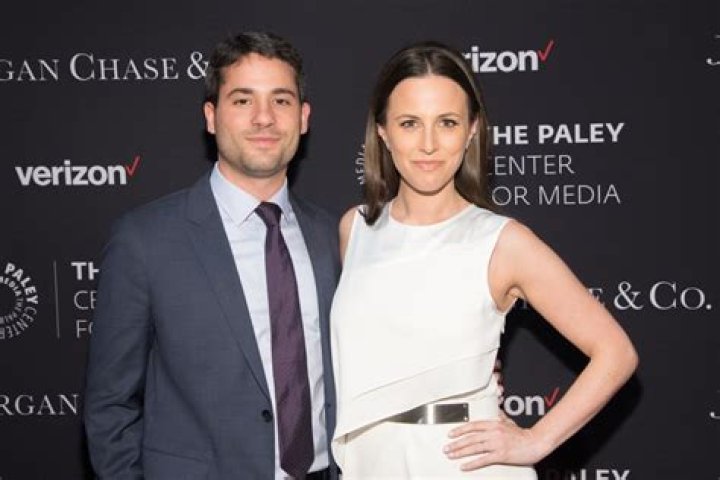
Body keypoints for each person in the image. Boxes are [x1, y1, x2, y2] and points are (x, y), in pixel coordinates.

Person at [330, 41, 638, 478]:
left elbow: (615, 352)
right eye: (410, 123)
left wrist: (537, 439)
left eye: (448, 123)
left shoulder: (501, 242)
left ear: (472, 130)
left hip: (463, 465)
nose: (429, 144)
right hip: (371, 464)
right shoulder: (356, 229)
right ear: (382, 131)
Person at [84, 32, 340, 479]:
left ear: (303, 118)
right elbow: (110, 405)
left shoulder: (332, 236)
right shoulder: (144, 241)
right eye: (242, 100)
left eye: (281, 101)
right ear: (211, 116)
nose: (264, 117)